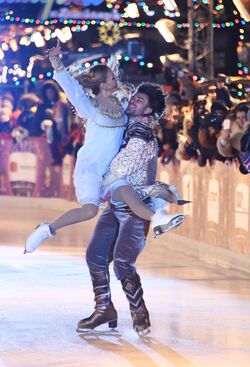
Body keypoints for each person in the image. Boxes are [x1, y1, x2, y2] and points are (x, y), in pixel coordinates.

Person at [24, 42, 183, 254]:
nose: (116, 80)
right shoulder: (89, 107)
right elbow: (72, 89)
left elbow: (141, 111)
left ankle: (159, 219)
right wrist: (56, 62)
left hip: (111, 169)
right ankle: (47, 228)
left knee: (127, 192)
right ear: (103, 84)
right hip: (90, 167)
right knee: (89, 211)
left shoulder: (121, 104)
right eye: (112, 78)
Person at [77, 82, 182, 335]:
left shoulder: (141, 134)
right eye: (135, 95)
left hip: (135, 208)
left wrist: (96, 183)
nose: (134, 99)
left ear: (149, 111)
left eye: (141, 99)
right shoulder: (126, 126)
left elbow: (119, 170)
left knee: (123, 263)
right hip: (115, 205)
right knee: (95, 256)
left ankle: (139, 314)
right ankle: (104, 309)